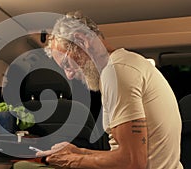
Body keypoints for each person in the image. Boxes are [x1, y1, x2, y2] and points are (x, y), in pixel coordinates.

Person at [35, 11, 183, 169]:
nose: (69, 75)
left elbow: (132, 161)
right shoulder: (126, 64)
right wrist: (80, 153)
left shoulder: (117, 72)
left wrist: (71, 161)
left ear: (81, 40)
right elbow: (126, 154)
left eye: (66, 64)